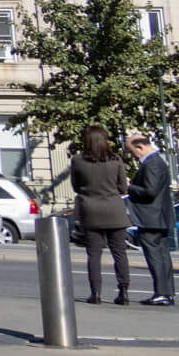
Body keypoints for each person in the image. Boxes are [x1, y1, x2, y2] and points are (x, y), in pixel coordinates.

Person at [69, 124, 133, 306]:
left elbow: (76, 186)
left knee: (94, 254)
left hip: (91, 210)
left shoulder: (79, 160)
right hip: (115, 210)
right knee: (120, 253)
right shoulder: (116, 160)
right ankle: (124, 291)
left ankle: (95, 293)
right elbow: (122, 188)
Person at [125, 132, 178, 306]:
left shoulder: (152, 163)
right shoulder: (157, 162)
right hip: (158, 217)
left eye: (132, 152)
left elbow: (150, 191)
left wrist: (130, 187)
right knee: (162, 255)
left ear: (140, 147)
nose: (132, 156)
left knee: (155, 256)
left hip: (150, 217)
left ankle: (162, 293)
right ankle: (166, 292)